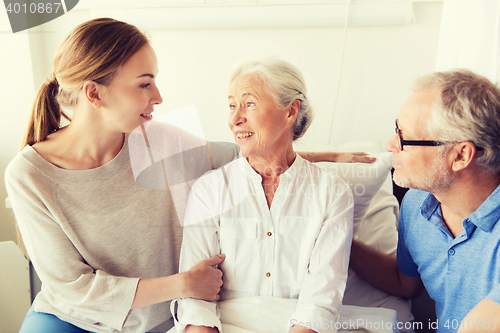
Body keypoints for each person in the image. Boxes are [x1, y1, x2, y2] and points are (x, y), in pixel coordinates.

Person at [5, 18, 373, 333]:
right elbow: (72, 288)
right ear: (94, 93)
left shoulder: (158, 141)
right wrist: (183, 284)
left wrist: (328, 154)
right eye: (144, 83)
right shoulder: (28, 174)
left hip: (156, 319)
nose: (159, 96)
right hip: (71, 318)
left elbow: (251, 153)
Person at [174, 58, 354, 333]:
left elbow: (320, 302)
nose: (235, 119)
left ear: (290, 111)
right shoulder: (209, 190)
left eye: (250, 104)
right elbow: (194, 299)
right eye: (232, 106)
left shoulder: (332, 193)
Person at [349, 69, 500, 333]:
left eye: (404, 137)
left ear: (460, 155)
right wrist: (336, 237)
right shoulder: (418, 204)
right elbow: (405, 283)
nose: (389, 144)